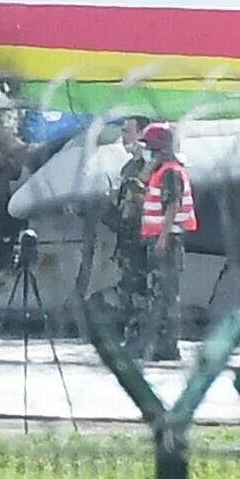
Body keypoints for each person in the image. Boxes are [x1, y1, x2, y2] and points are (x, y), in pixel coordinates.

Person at [136, 122, 196, 362]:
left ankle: (167, 347)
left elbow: (172, 205)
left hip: (168, 240)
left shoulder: (171, 171)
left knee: (166, 295)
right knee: (158, 294)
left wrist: (162, 237)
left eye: (149, 148)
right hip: (161, 239)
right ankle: (159, 343)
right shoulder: (162, 171)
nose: (148, 153)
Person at [103, 116, 152, 347]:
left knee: (141, 287)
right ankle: (130, 333)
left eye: (128, 131)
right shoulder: (129, 166)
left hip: (143, 234)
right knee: (127, 286)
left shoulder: (150, 166)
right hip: (126, 234)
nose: (123, 136)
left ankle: (141, 335)